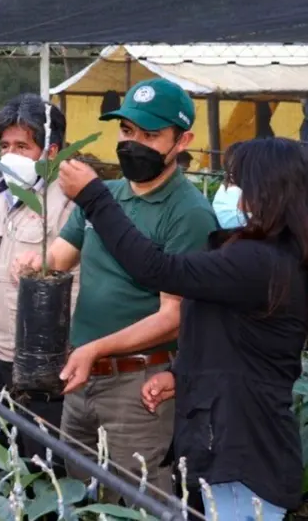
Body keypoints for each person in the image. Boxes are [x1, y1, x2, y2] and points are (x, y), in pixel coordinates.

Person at [57, 137, 307, 520]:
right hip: (240, 441)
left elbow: (158, 269)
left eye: (239, 182)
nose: (231, 193)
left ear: (267, 190)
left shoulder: (259, 262)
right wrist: (180, 374)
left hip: (242, 454)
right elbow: (237, 341)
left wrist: (94, 197)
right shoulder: (273, 257)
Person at [12, 78, 219, 503]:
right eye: (127, 131)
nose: (133, 143)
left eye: (149, 135)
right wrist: (35, 265)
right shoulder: (103, 196)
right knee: (79, 489)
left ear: (183, 141)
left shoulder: (190, 214)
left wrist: (95, 350)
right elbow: (60, 257)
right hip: (81, 377)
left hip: (139, 385)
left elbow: (174, 314)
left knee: (142, 497)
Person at [0, 94, 79, 460]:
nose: (9, 155)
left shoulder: (69, 204)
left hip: (45, 362)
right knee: (4, 454)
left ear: (51, 151)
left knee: (46, 463)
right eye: (4, 146)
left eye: (21, 146)